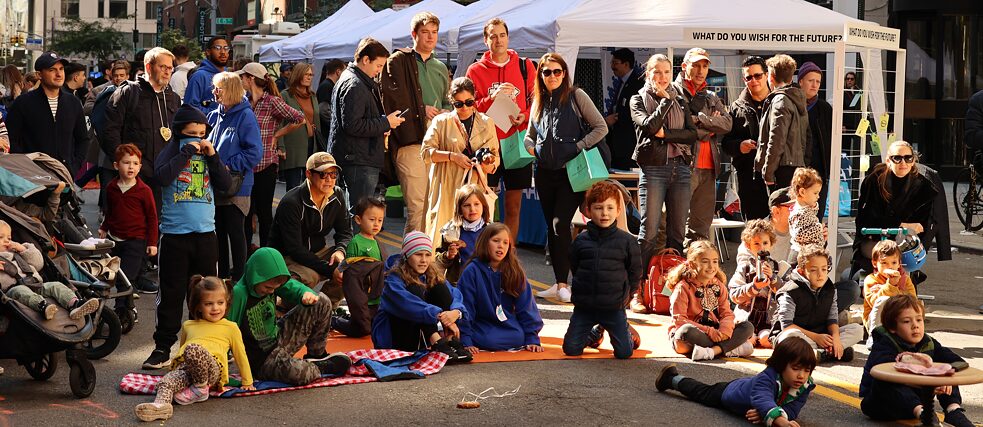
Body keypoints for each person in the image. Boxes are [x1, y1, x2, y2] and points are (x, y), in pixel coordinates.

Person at [143, 104, 232, 370]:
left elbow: (226, 185)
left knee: (207, 292)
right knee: (171, 294)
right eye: (191, 133)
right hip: (174, 236)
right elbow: (161, 176)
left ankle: (209, 342)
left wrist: (213, 156)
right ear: (179, 133)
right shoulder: (170, 154)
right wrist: (185, 152)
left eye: (202, 133)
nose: (197, 138)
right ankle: (162, 347)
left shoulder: (208, 154)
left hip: (205, 235)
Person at [524, 52, 608, 303]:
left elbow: (600, 127)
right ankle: (559, 281)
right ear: (540, 75)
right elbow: (529, 135)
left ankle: (565, 283)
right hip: (544, 173)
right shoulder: (537, 101)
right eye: (546, 72)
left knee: (561, 224)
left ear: (564, 73)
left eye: (557, 71)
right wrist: (532, 148)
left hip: (570, 173)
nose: (552, 76)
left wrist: (579, 146)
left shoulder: (576, 96)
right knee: (552, 226)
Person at [134, 276, 255, 422]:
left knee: (193, 349)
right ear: (198, 306)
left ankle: (201, 388)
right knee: (166, 382)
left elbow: (240, 355)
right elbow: (182, 350)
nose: (215, 308)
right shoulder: (189, 325)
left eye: (220, 303)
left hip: (213, 370)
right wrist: (175, 372)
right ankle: (160, 407)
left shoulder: (231, 327)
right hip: (188, 369)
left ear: (227, 303)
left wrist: (247, 381)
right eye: (209, 304)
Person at [227, 247, 351, 386]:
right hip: (260, 360)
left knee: (321, 301)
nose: (272, 291)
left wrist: (304, 293)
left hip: (278, 339)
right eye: (268, 288)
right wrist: (225, 373)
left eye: (275, 288)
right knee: (301, 374)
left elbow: (290, 286)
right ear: (255, 276)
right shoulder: (239, 294)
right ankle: (316, 368)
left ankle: (316, 355)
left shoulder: (270, 282)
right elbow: (225, 333)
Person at [465, 18, 537, 241]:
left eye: (502, 35)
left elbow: (537, 101)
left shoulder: (525, 65)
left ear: (508, 37)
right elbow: (467, 107)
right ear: (486, 40)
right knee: (484, 204)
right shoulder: (475, 70)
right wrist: (491, 98)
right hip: (487, 145)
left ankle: (508, 255)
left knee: (513, 205)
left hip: (517, 142)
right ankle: (483, 251)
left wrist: (524, 115)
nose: (498, 40)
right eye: (493, 36)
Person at [380, 12, 452, 234]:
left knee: (433, 210)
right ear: (414, 34)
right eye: (425, 32)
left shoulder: (440, 67)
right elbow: (392, 100)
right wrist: (422, 109)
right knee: (418, 208)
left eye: (434, 32)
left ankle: (419, 263)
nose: (430, 37)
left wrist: (443, 111)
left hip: (436, 145)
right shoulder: (399, 62)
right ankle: (413, 265)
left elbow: (448, 103)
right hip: (410, 143)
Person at [860, 295, 974, 427]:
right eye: (907, 321)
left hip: (917, 400)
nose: (915, 326)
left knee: (947, 369)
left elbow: (957, 361)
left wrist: (945, 377)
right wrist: (927, 383)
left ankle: (953, 410)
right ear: (892, 327)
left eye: (919, 320)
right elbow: (886, 370)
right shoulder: (884, 343)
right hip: (882, 404)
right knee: (887, 381)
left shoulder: (928, 342)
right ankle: (925, 415)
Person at [655, 336, 817, 427]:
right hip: (730, 392)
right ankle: (670, 378)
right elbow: (763, 399)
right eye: (796, 368)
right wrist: (779, 420)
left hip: (747, 388)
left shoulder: (804, 386)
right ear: (781, 365)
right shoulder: (767, 378)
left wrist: (768, 416)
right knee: (701, 392)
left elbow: (792, 409)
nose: (802, 376)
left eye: (806, 370)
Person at [562, 181, 641, 360]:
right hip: (585, 307)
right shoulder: (581, 241)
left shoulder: (627, 242)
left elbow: (635, 272)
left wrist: (627, 295)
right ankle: (595, 333)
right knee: (571, 349)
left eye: (610, 208)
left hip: (614, 307)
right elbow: (575, 266)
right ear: (589, 211)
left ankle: (624, 330)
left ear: (618, 211)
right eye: (598, 208)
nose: (604, 213)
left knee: (624, 353)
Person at [630, 53, 697, 259]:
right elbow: (650, 126)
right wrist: (665, 101)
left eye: (667, 72)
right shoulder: (638, 99)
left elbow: (692, 134)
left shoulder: (680, 98)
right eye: (657, 72)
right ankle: (639, 285)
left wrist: (666, 135)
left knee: (677, 233)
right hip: (653, 169)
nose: (663, 76)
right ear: (648, 74)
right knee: (649, 232)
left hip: (681, 168)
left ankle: (673, 283)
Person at [328, 38, 403, 216]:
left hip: (356, 156)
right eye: (378, 65)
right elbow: (353, 125)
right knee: (360, 214)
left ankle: (355, 244)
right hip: (358, 159)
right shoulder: (355, 84)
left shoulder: (352, 80)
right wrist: (386, 122)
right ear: (365, 60)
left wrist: (382, 122)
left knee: (357, 212)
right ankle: (357, 245)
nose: (379, 71)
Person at [371, 231, 472, 363]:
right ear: (406, 255)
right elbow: (407, 304)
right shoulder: (393, 277)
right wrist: (439, 315)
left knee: (439, 287)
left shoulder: (430, 272)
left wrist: (455, 312)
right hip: (394, 338)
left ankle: (449, 340)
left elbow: (455, 294)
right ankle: (435, 339)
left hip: (418, 333)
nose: (424, 260)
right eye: (418, 254)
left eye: (428, 255)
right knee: (415, 288)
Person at [422, 76, 499, 248]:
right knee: (441, 236)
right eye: (458, 104)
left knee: (473, 238)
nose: (464, 107)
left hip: (474, 187)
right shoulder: (441, 122)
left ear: (475, 98)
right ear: (451, 102)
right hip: (446, 185)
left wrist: (487, 162)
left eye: (469, 102)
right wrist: (452, 156)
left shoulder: (487, 123)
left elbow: (496, 158)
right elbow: (426, 153)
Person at [267, 152, 352, 308]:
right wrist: (330, 269)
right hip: (288, 257)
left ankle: (326, 308)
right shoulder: (291, 202)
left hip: (318, 251)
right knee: (310, 276)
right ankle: (286, 306)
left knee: (351, 266)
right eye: (323, 174)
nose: (329, 179)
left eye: (333, 174)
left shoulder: (337, 194)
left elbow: (345, 231)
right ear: (308, 174)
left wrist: (340, 251)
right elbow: (295, 249)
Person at [103, 47, 181, 209]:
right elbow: (110, 131)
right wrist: (124, 165)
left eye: (170, 68)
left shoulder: (173, 98)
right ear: (148, 67)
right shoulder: (128, 92)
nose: (167, 72)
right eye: (163, 67)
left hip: (163, 175)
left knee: (159, 224)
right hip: (135, 174)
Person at [239, 62, 304, 250]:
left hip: (266, 163)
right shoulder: (244, 100)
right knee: (246, 212)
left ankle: (267, 255)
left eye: (243, 77)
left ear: (251, 78)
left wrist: (277, 134)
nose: (241, 80)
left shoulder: (271, 101)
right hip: (246, 165)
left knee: (265, 212)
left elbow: (299, 118)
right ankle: (246, 256)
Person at [673, 48, 732, 245]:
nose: (700, 71)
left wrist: (699, 120)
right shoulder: (674, 92)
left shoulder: (710, 96)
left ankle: (695, 272)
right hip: (682, 165)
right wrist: (710, 127)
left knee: (700, 229)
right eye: (696, 65)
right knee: (674, 222)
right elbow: (679, 126)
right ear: (684, 67)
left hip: (709, 168)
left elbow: (727, 123)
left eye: (705, 66)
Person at [853, 141, 938, 277]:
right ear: (888, 160)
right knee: (887, 255)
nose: (903, 163)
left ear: (913, 161)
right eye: (897, 158)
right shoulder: (874, 181)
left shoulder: (924, 187)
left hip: (906, 242)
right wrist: (900, 224)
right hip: (873, 237)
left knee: (906, 257)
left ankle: (907, 292)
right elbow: (866, 219)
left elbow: (923, 226)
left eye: (908, 158)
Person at [208, 72, 262, 281]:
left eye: (217, 88)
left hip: (237, 187)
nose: (214, 92)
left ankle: (240, 278)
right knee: (219, 234)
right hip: (216, 184)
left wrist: (228, 166)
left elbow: (254, 152)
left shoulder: (245, 116)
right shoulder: (215, 114)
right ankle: (221, 278)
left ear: (229, 90)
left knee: (236, 233)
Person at [457, 222, 543, 354]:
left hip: (507, 324)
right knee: (489, 340)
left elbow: (527, 306)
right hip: (481, 324)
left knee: (518, 336)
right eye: (496, 241)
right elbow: (465, 307)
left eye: (505, 243)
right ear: (485, 243)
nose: (500, 246)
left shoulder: (515, 270)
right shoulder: (472, 271)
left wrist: (532, 338)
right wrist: (466, 340)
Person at [666, 240, 755, 361]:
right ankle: (730, 348)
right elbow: (679, 320)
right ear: (692, 264)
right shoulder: (683, 287)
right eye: (705, 262)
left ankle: (713, 351)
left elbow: (726, 314)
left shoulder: (719, 286)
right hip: (693, 335)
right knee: (686, 332)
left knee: (747, 327)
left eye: (715, 261)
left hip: (715, 332)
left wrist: (725, 331)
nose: (711, 267)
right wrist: (709, 331)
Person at [774, 245, 863, 363]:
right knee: (789, 336)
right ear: (802, 271)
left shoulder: (830, 289)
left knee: (857, 329)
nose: (820, 274)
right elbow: (787, 326)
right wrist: (816, 337)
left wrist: (836, 339)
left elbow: (832, 319)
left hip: (821, 335)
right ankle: (832, 352)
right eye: (813, 270)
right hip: (801, 335)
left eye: (824, 269)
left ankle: (821, 353)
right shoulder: (790, 291)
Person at [6, 51, 89, 173]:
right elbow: (11, 139)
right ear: (39, 74)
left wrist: (74, 166)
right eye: (52, 70)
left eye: (61, 69)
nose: (59, 74)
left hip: (65, 176)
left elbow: (83, 139)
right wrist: (26, 166)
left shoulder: (73, 102)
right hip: (33, 178)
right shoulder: (23, 103)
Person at [98, 143, 158, 312]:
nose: (130, 167)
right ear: (116, 165)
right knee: (117, 275)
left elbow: (152, 217)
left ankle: (123, 309)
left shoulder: (144, 190)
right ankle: (128, 306)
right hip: (115, 238)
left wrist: (152, 243)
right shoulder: (111, 187)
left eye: (134, 163)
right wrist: (104, 227)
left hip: (136, 240)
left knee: (126, 277)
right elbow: (110, 212)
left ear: (140, 166)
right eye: (126, 162)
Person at [0, 220, 99, 320]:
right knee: (20, 291)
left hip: (35, 285)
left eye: (9, 238)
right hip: (12, 291)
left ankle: (75, 304)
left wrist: (23, 249)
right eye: (1, 237)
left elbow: (38, 264)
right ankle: (43, 306)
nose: (6, 241)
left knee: (56, 286)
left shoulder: (16, 252)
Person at [722, 56, 771, 220]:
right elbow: (726, 144)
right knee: (754, 230)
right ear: (744, 79)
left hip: (777, 176)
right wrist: (739, 146)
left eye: (758, 76)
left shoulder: (778, 102)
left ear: (766, 75)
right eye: (749, 77)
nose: (754, 81)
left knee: (780, 233)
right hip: (749, 178)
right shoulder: (737, 107)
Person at [333, 197, 387, 338]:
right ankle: (335, 322)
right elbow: (349, 264)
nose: (376, 224)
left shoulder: (378, 243)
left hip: (377, 295)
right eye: (372, 219)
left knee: (375, 326)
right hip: (362, 294)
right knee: (363, 328)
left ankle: (345, 318)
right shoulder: (356, 242)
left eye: (380, 220)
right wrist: (339, 270)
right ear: (358, 220)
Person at [756, 54, 808, 191]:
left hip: (781, 169)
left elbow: (776, 139)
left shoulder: (780, 100)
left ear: (771, 77)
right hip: (794, 166)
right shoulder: (796, 98)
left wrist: (768, 172)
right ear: (791, 78)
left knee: (779, 210)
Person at [728, 219, 782, 348]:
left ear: (771, 244)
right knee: (748, 339)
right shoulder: (745, 268)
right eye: (756, 243)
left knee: (766, 339)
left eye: (765, 243)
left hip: (768, 319)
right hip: (746, 317)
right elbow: (734, 295)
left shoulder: (778, 267)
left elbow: (785, 293)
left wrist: (773, 279)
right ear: (748, 246)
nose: (761, 247)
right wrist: (753, 287)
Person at [435, 184, 490, 284]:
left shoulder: (491, 231)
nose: (472, 209)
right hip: (459, 283)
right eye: (467, 205)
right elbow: (438, 262)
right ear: (459, 208)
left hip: (484, 283)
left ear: (484, 206)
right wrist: (448, 255)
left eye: (476, 204)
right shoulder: (450, 231)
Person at [798, 62, 833, 218]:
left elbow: (830, 141)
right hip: (796, 171)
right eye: (810, 80)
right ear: (800, 81)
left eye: (818, 81)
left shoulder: (825, 108)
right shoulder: (790, 104)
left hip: (819, 171)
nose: (814, 85)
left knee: (816, 217)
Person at [862, 240, 916, 341]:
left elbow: (912, 301)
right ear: (875, 263)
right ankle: (874, 337)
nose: (890, 266)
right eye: (884, 263)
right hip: (877, 321)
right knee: (882, 301)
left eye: (894, 262)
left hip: (897, 319)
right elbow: (874, 302)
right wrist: (890, 285)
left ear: (899, 263)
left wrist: (885, 288)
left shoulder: (905, 279)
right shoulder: (871, 279)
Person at [280, 63, 321, 191]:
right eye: (306, 74)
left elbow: (317, 120)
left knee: (310, 186)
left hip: (311, 144)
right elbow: (279, 123)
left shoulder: (313, 96)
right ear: (298, 75)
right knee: (293, 187)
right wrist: (280, 146)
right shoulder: (286, 95)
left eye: (311, 75)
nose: (309, 77)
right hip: (293, 145)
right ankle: (291, 211)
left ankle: (306, 211)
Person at [604, 48, 646, 171]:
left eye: (615, 63)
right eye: (612, 63)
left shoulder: (638, 83)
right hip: (617, 143)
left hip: (629, 144)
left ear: (626, 64)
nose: (612, 66)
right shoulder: (622, 82)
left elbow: (636, 112)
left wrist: (616, 118)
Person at [185, 36, 229, 115]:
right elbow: (190, 107)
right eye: (218, 48)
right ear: (208, 52)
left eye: (226, 48)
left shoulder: (230, 76)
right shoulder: (199, 76)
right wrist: (216, 113)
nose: (223, 52)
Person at [787, 167, 824, 262]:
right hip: (801, 255)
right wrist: (818, 228)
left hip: (810, 253)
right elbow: (800, 234)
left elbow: (811, 217)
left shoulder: (806, 208)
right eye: (815, 193)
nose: (818, 196)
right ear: (802, 192)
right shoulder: (799, 213)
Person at [316, 59, 346, 138]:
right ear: (338, 72)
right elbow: (323, 110)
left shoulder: (330, 85)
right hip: (326, 132)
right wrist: (337, 125)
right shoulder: (326, 86)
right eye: (344, 72)